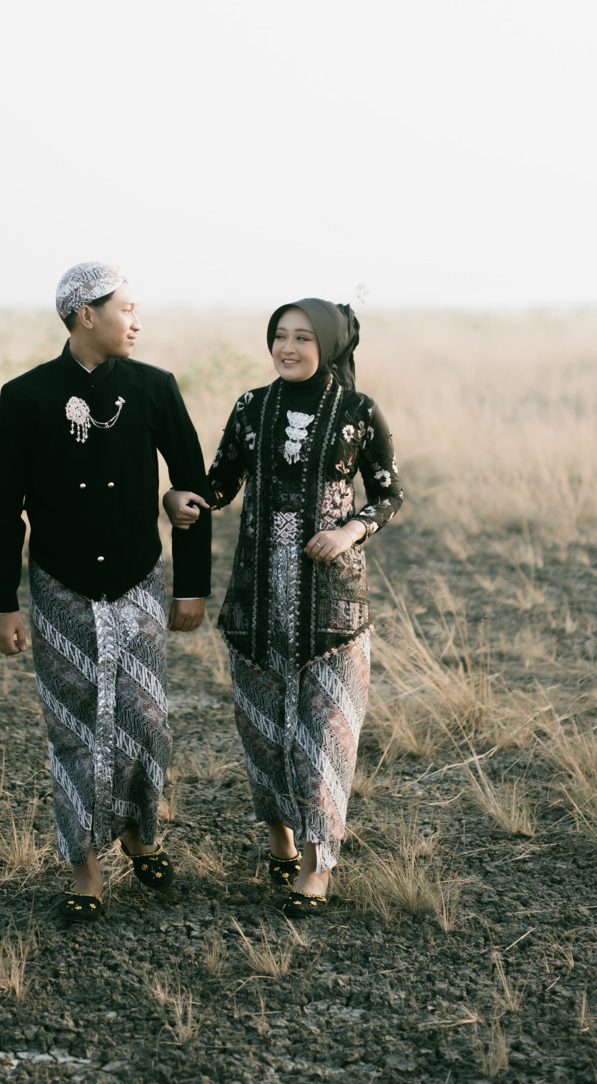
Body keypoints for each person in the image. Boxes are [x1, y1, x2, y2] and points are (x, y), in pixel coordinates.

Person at [0, 262, 211, 921]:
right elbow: (2, 507)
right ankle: (84, 866)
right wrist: (3, 603)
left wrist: (191, 586)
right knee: (74, 727)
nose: (136, 322)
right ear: (87, 314)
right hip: (60, 585)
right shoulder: (25, 396)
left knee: (147, 721)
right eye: (126, 309)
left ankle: (140, 832)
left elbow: (192, 485)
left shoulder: (154, 387)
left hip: (139, 580)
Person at [167, 299, 403, 915]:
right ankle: (281, 843)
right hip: (256, 600)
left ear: (329, 344)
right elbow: (222, 482)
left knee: (326, 735)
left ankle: (317, 867)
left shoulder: (358, 411)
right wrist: (184, 498)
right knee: (263, 731)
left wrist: (349, 531)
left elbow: (389, 493)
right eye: (279, 336)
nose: (288, 348)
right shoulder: (252, 406)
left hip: (333, 606)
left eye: (303, 337)